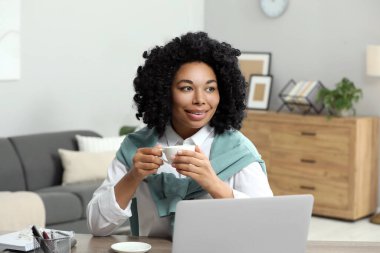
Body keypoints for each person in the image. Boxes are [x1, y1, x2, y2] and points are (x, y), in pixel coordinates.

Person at [87, 31, 273, 238]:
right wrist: (133, 176)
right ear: (164, 91)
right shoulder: (136, 147)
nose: (200, 99)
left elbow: (266, 226)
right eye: (186, 88)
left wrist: (213, 184)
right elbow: (96, 226)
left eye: (210, 89)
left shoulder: (238, 151)